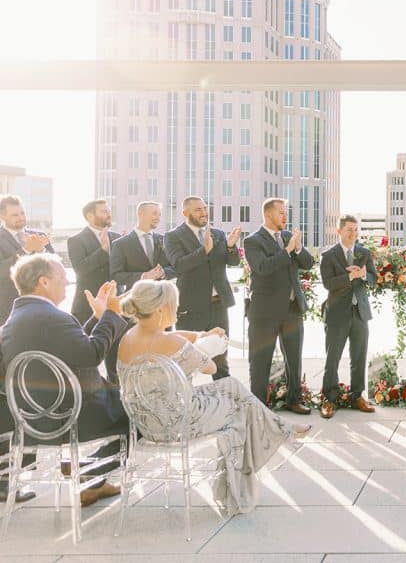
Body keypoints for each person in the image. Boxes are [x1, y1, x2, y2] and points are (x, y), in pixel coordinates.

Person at [116, 281, 309, 515]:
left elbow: (168, 337)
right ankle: (236, 487)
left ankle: (280, 428)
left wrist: (199, 335)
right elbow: (210, 368)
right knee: (237, 410)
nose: (177, 311)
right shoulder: (171, 343)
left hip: (147, 422)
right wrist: (207, 344)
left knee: (231, 387)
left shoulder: (127, 338)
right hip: (178, 422)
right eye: (174, 306)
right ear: (160, 310)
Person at [0, 253, 127, 507]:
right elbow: (91, 355)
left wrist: (97, 317)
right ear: (44, 282)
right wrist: (112, 315)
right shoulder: (54, 318)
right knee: (138, 414)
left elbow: (71, 345)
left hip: (31, 419)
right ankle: (89, 472)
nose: (68, 282)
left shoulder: (13, 322)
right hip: (72, 417)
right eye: (62, 277)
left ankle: (89, 478)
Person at [242, 198, 314, 414]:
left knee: (294, 358)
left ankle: (294, 399)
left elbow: (308, 264)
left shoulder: (287, 238)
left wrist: (298, 248)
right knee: (260, 361)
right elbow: (263, 267)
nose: (285, 216)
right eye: (281, 213)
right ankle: (259, 407)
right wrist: (286, 251)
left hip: (292, 309)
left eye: (286, 212)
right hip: (265, 312)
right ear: (269, 214)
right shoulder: (252, 241)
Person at [164, 196, 242, 381]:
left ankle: (225, 400)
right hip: (191, 307)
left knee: (221, 359)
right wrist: (204, 250)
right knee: (186, 359)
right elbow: (178, 265)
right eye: (198, 210)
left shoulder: (218, 234)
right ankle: (184, 403)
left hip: (218, 305)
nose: (204, 213)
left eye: (205, 208)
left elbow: (233, 261)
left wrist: (231, 246)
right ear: (185, 213)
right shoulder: (173, 236)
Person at [319, 215, 378, 418]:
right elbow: (328, 283)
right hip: (336, 314)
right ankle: (329, 399)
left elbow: (373, 278)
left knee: (359, 357)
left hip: (360, 313)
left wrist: (363, 275)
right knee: (332, 358)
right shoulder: (328, 255)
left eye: (355, 229)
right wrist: (349, 276)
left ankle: (357, 396)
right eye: (349, 230)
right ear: (339, 231)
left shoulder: (364, 252)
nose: (353, 233)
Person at [0, 194, 55, 324]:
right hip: (7, 309)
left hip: (41, 305)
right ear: (2, 216)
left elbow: (56, 268)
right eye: (15, 215)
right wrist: (25, 251)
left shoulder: (39, 235)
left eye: (22, 213)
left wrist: (42, 251)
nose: (21, 217)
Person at [67, 199, 121, 325]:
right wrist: (102, 251)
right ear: (90, 216)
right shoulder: (76, 240)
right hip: (87, 308)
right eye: (104, 211)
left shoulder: (118, 238)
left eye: (109, 211)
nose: (109, 214)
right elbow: (80, 269)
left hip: (115, 307)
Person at [109, 201, 176, 294]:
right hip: (135, 298)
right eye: (154, 213)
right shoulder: (120, 244)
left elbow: (175, 266)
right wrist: (144, 276)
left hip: (161, 297)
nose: (158, 218)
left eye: (160, 215)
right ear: (140, 214)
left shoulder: (164, 239)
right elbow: (116, 275)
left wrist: (163, 272)